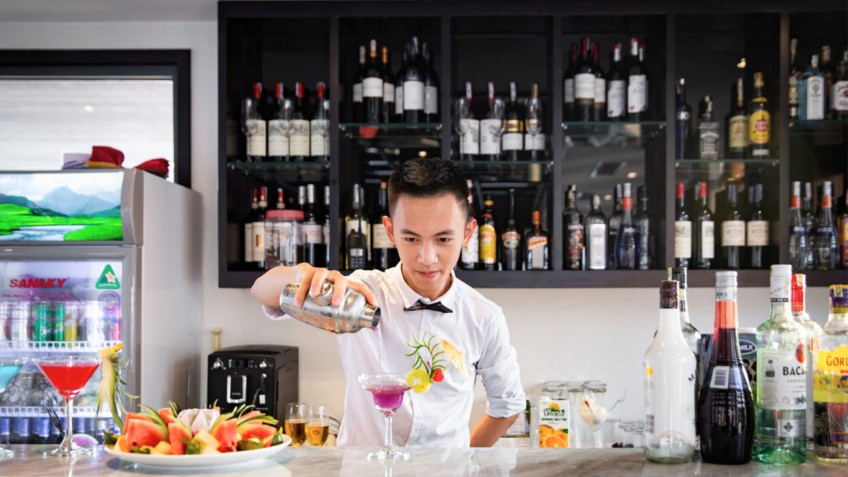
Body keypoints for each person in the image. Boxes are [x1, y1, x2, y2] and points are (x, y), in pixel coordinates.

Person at [251, 158, 525, 448]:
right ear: (390, 230)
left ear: (468, 233)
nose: (427, 257)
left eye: (443, 239)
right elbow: (260, 290)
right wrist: (301, 274)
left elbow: (507, 406)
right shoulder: (358, 293)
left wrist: (462, 463)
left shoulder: (484, 316)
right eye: (411, 238)